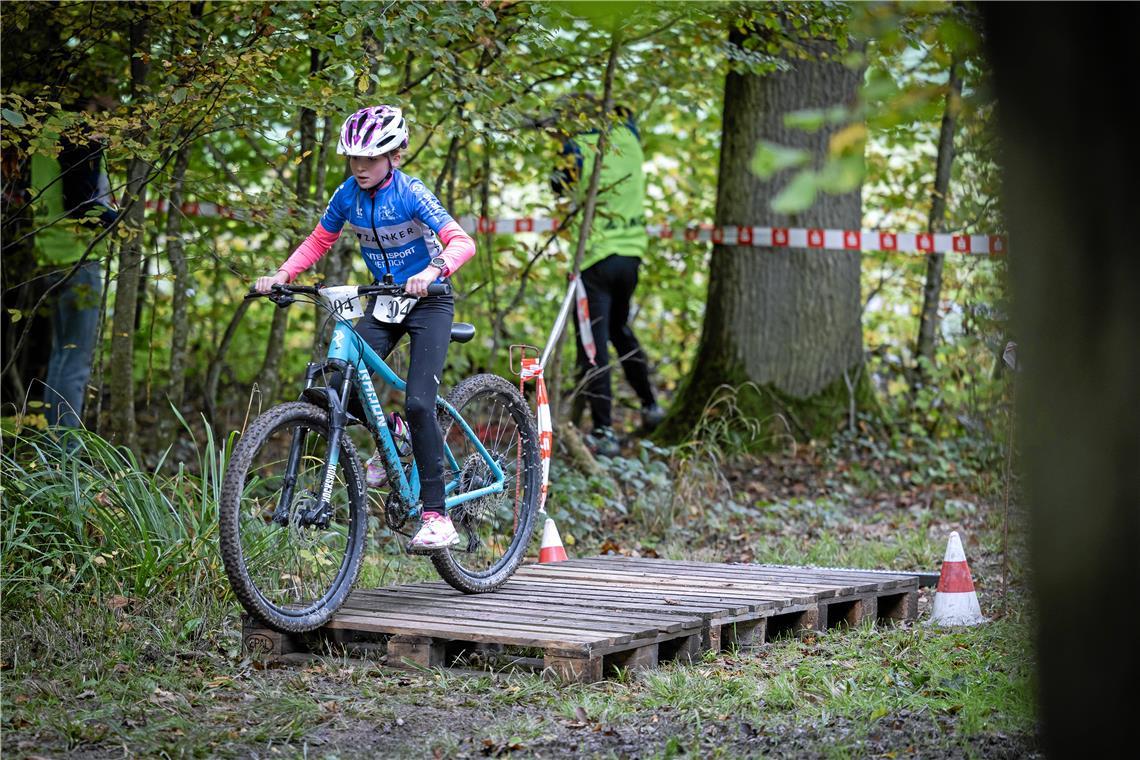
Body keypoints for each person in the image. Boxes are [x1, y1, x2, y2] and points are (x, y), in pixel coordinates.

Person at [254, 104, 476, 553]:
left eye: (370, 158)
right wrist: (283, 275)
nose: (359, 167)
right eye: (353, 157)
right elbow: (320, 239)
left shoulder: (411, 193)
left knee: (419, 402)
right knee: (341, 385)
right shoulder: (347, 196)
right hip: (386, 300)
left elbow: (462, 241)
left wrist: (433, 272)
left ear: (395, 155)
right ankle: (392, 433)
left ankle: (437, 516)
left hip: (429, 302)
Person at [542, 94, 664, 457]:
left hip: (595, 259)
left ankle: (604, 431)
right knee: (619, 330)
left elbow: (557, 186)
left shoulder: (577, 146)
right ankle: (650, 404)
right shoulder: (628, 136)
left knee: (593, 346)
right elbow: (628, 114)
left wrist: (562, 145)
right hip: (631, 255)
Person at [28, 116, 118, 428]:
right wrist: (118, 219)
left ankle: (53, 451)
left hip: (51, 256)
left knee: (61, 357)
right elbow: (80, 202)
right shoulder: (78, 136)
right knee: (75, 365)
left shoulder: (45, 132)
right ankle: (66, 457)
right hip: (78, 259)